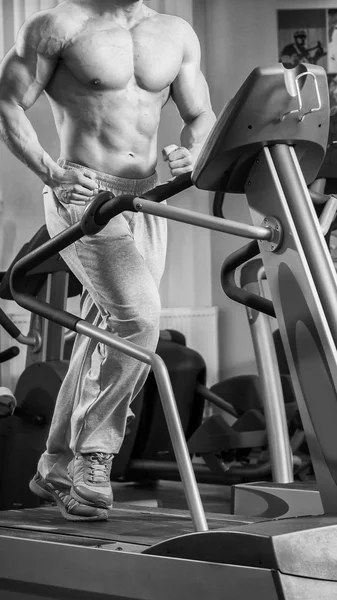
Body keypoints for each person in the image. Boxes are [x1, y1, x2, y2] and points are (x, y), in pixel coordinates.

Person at [0, 0, 216, 521]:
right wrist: (51, 172)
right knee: (139, 319)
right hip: (84, 195)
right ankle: (94, 456)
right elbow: (7, 102)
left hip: (148, 197)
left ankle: (54, 465)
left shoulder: (174, 32)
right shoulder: (57, 26)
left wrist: (197, 148)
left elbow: (199, 114)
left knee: (109, 327)